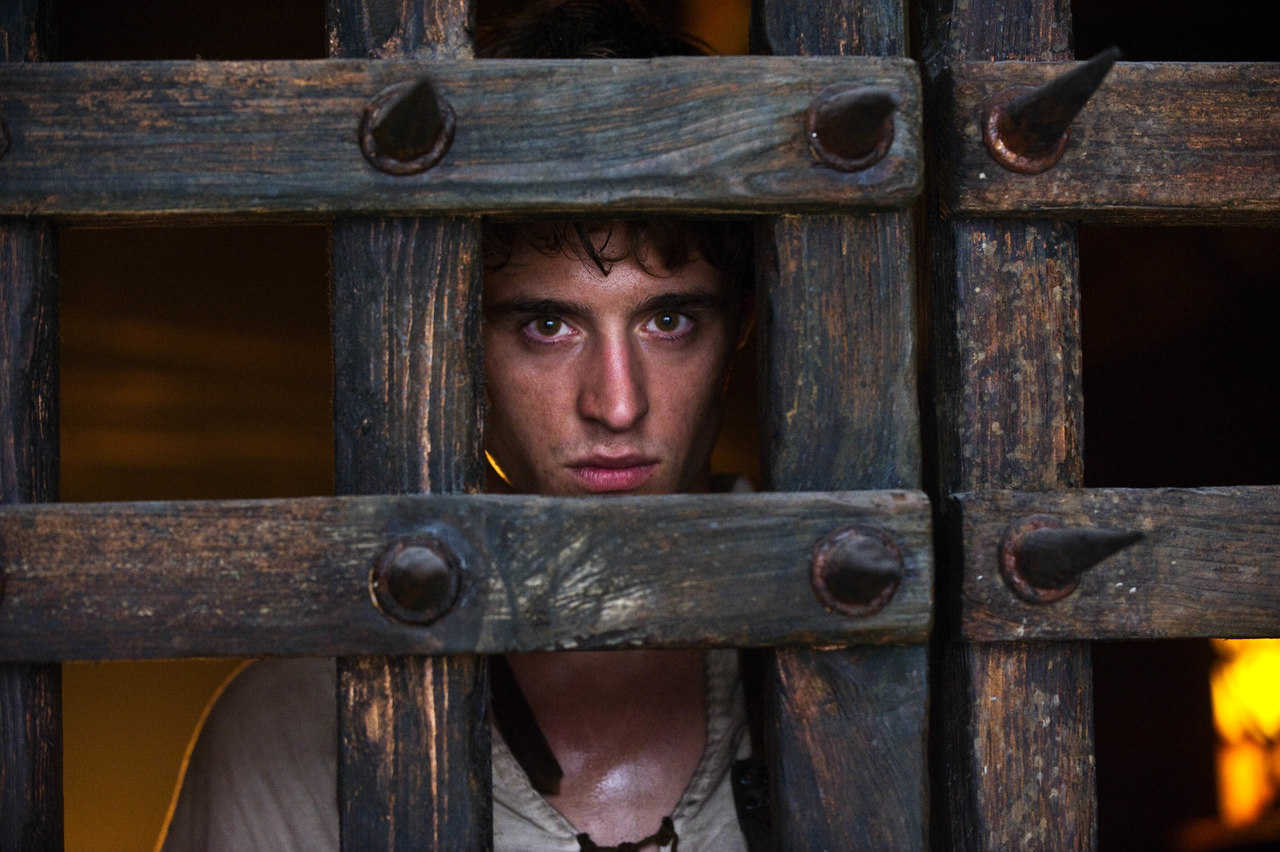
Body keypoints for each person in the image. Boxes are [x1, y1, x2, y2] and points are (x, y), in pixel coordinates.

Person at [159, 4, 757, 850]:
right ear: (457, 350)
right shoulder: (299, 727)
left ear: (740, 333)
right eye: (547, 326)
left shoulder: (870, 666)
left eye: (669, 322)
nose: (618, 405)